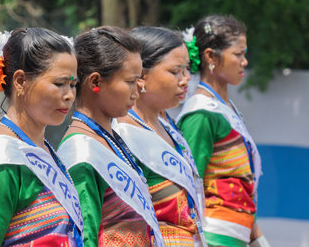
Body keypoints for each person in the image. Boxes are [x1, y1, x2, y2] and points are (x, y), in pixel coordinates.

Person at [0, 28, 83, 247]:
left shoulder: (44, 151)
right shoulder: (0, 162)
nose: (69, 95)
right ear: (21, 81)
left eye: (73, 84)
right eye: (59, 84)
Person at [58, 26, 164, 247]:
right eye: (130, 82)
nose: (138, 91)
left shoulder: (110, 139)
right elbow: (84, 237)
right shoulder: (81, 152)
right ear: (95, 82)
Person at [176, 15, 269, 247]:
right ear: (210, 56)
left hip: (237, 234)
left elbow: (239, 183)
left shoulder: (225, 108)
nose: (244, 61)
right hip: (215, 236)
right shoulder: (200, 114)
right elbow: (188, 186)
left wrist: (257, 237)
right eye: (238, 54)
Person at [116, 26, 206, 246]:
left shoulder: (168, 126)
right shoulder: (121, 135)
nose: (185, 79)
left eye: (186, 70)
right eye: (175, 71)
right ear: (142, 76)